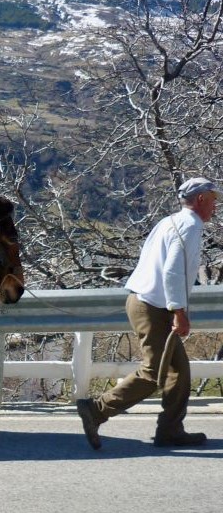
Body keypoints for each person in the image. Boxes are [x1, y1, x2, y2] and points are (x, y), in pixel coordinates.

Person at [77, 177, 221, 449]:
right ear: (201, 199)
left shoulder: (169, 222)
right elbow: (172, 271)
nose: (216, 205)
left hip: (145, 301)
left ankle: (170, 431)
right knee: (154, 372)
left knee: (179, 370)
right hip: (154, 307)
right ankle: (97, 409)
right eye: (214, 199)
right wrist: (178, 311)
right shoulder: (190, 226)